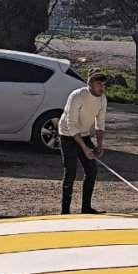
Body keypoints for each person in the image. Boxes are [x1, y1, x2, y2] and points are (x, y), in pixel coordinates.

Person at [57, 72, 108, 215]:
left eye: (104, 85)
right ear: (90, 84)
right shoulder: (77, 96)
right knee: (70, 172)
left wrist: (99, 144)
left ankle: (86, 208)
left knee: (92, 170)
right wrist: (84, 147)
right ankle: (65, 211)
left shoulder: (102, 99)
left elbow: (100, 123)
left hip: (84, 134)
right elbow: (71, 124)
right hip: (67, 134)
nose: (102, 88)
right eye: (99, 84)